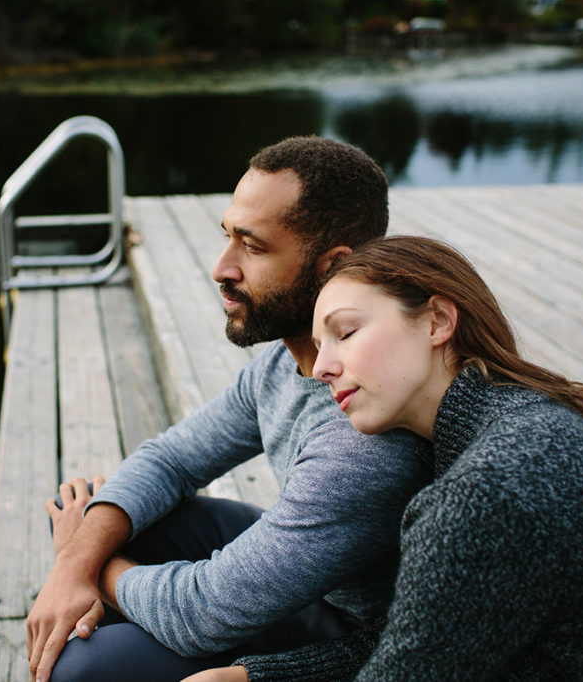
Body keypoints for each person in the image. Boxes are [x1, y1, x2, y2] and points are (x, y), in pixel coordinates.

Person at [187, 236, 583, 681]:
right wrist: (255, 676)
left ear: (439, 320)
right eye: (321, 341)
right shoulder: (523, 419)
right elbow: (434, 638)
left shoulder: (484, 493)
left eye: (346, 332)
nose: (322, 366)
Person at [25, 138, 432, 682]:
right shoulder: (283, 362)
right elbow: (172, 458)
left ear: (335, 266)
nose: (221, 268)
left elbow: (204, 616)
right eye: (226, 237)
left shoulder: (365, 433)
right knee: (107, 525)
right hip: (309, 575)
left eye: (253, 247)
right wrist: (75, 563)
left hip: (356, 640)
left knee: (80, 666)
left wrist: (88, 568)